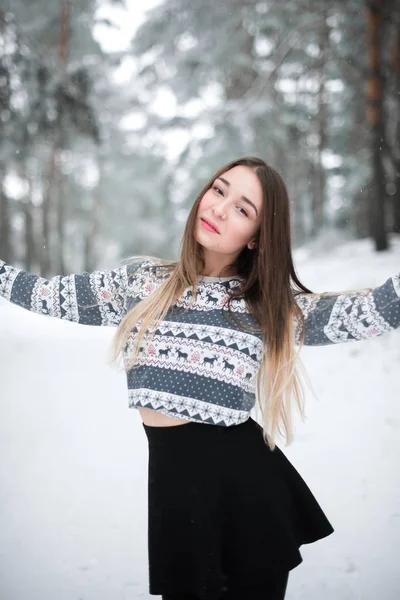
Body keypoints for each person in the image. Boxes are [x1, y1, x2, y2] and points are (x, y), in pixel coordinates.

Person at [0, 156, 399, 600]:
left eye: (244, 210)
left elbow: (367, 311)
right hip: (178, 501)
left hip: (247, 504)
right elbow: (46, 295)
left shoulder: (265, 305)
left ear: (256, 239)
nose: (220, 209)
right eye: (219, 190)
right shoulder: (144, 284)